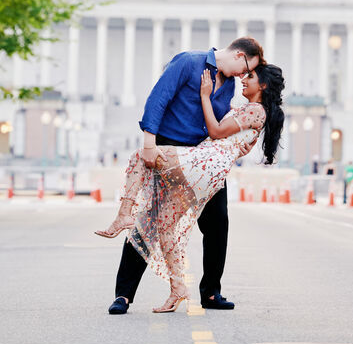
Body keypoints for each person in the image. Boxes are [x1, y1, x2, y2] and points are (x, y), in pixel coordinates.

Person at [97, 59, 285, 312]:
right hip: (206, 167)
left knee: (141, 157)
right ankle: (175, 289)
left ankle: (123, 216)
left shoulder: (254, 110)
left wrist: (205, 95)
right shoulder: (246, 107)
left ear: (262, 85)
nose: (242, 78)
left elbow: (217, 132)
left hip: (202, 163)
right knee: (162, 223)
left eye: (249, 76)